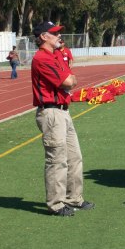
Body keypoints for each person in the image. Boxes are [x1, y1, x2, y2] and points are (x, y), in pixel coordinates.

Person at [31, 21, 94, 216]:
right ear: (44, 37)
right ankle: (56, 204)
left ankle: (74, 198)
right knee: (57, 160)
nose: (60, 36)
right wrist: (70, 80)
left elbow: (71, 80)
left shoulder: (56, 54)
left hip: (63, 111)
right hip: (51, 113)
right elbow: (68, 81)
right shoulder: (42, 58)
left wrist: (70, 80)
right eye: (55, 33)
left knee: (74, 157)